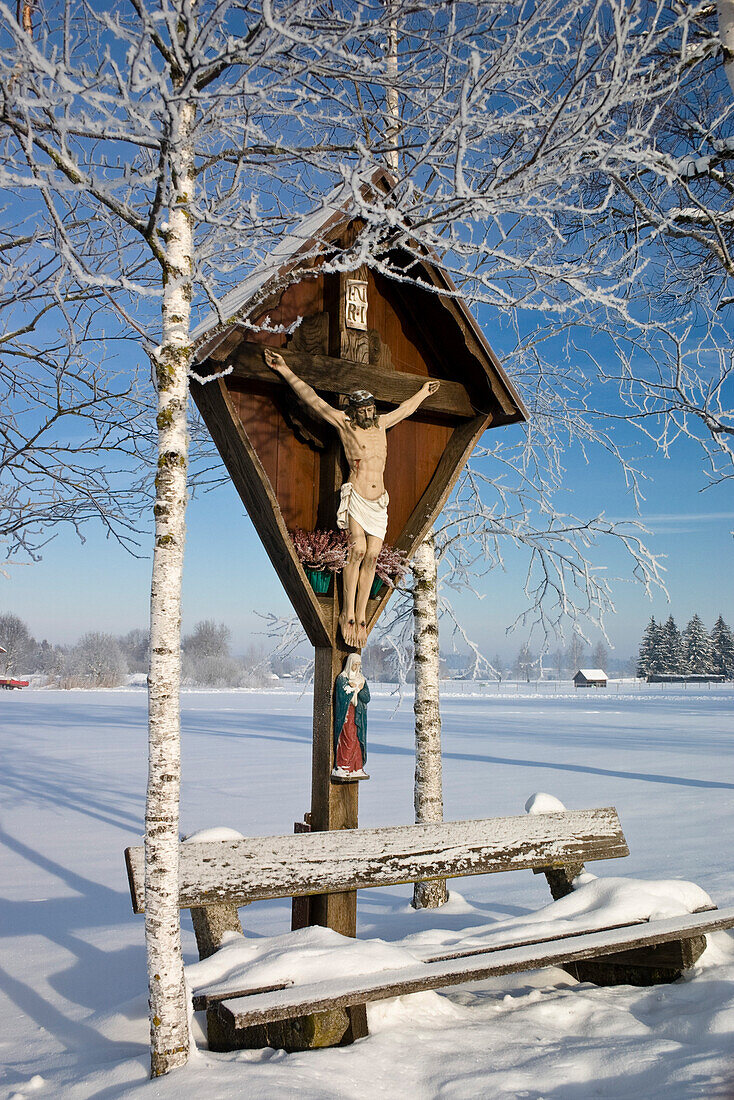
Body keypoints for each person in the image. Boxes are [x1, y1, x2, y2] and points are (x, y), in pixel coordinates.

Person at [264, 347, 439, 647]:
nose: (370, 414)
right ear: (354, 411)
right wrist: (284, 370)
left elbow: (406, 409)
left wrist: (423, 392)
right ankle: (347, 612)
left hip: (379, 501)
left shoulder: (382, 424)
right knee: (357, 549)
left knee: (372, 556)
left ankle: (361, 615)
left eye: (372, 408)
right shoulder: (344, 425)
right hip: (357, 495)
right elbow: (313, 400)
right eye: (365, 410)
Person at [332, 652, 370, 781]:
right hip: (346, 714)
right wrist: (352, 689)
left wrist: (358, 689)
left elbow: (366, 697)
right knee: (347, 738)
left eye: (359, 665)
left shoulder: (361, 679)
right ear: (350, 664)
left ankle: (356, 766)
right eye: (354, 664)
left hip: (358, 715)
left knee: (357, 739)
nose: (356, 667)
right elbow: (342, 694)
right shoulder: (343, 678)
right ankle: (343, 766)